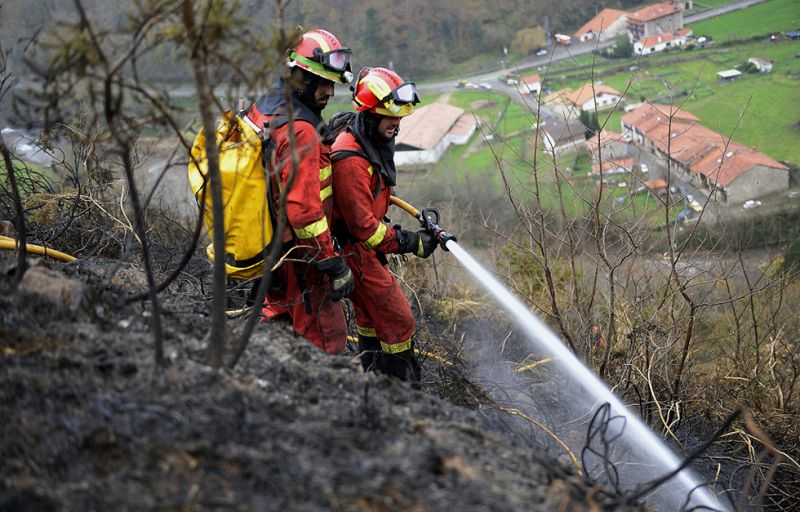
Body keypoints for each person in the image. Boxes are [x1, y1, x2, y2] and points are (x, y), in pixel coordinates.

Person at [244, 28, 354, 355]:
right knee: (326, 336)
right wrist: (332, 263)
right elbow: (305, 213)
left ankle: (259, 373)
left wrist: (322, 138)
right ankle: (324, 399)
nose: (331, 92)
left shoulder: (267, 105)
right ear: (302, 78)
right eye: (324, 83)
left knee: (277, 316)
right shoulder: (301, 132)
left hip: (271, 244)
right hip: (302, 255)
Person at [330, 67, 437, 382]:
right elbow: (365, 227)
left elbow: (373, 196)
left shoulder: (368, 142)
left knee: (370, 315)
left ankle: (374, 378)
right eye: (391, 117)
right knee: (396, 318)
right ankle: (399, 386)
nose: (398, 123)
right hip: (355, 251)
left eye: (401, 117)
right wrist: (410, 242)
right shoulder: (349, 159)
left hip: (361, 250)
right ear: (370, 114)